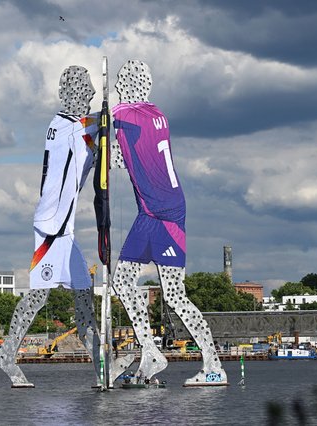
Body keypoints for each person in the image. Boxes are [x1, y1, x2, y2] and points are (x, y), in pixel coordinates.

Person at [109, 59, 228, 386]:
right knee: (122, 280)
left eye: (121, 83)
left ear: (130, 86)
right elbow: (125, 158)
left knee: (174, 294)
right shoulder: (156, 114)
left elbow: (108, 136)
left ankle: (213, 365)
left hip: (163, 215)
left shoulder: (123, 115)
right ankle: (150, 351)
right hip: (158, 212)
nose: (118, 88)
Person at [0, 65, 101, 388]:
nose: (92, 93)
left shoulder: (67, 130)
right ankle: (7, 352)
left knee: (84, 298)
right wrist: (110, 117)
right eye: (88, 88)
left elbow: (82, 159)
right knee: (38, 296)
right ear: (74, 93)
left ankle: (102, 364)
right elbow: (88, 128)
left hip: (63, 231)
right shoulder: (65, 127)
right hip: (53, 230)